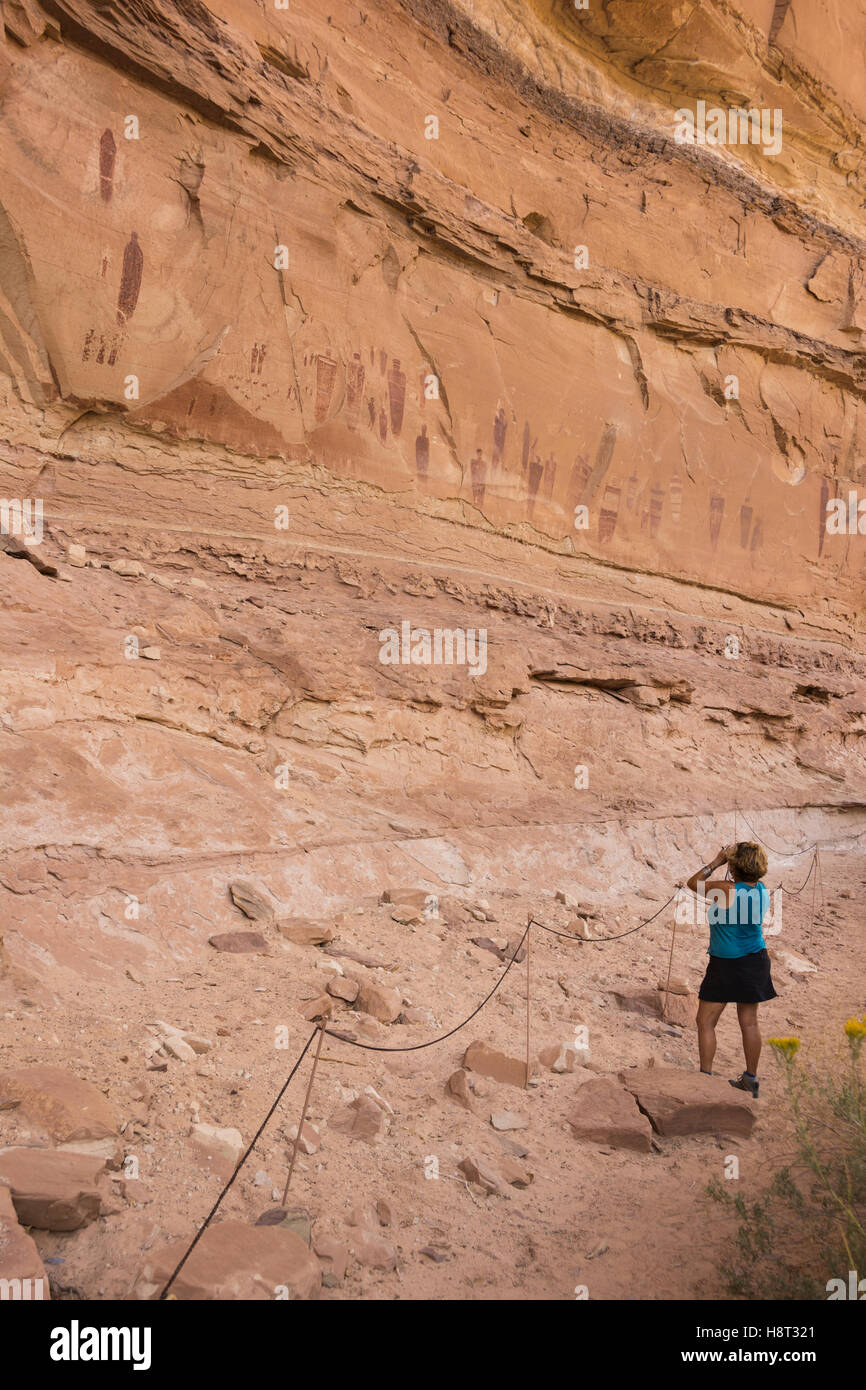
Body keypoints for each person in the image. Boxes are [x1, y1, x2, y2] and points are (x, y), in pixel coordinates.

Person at [685, 841, 777, 1097]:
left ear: (734, 867)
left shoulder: (726, 890)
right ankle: (750, 1079)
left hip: (725, 964)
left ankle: (705, 1077)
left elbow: (692, 884)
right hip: (755, 960)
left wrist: (717, 862)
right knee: (749, 1022)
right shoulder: (760, 889)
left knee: (705, 1021)